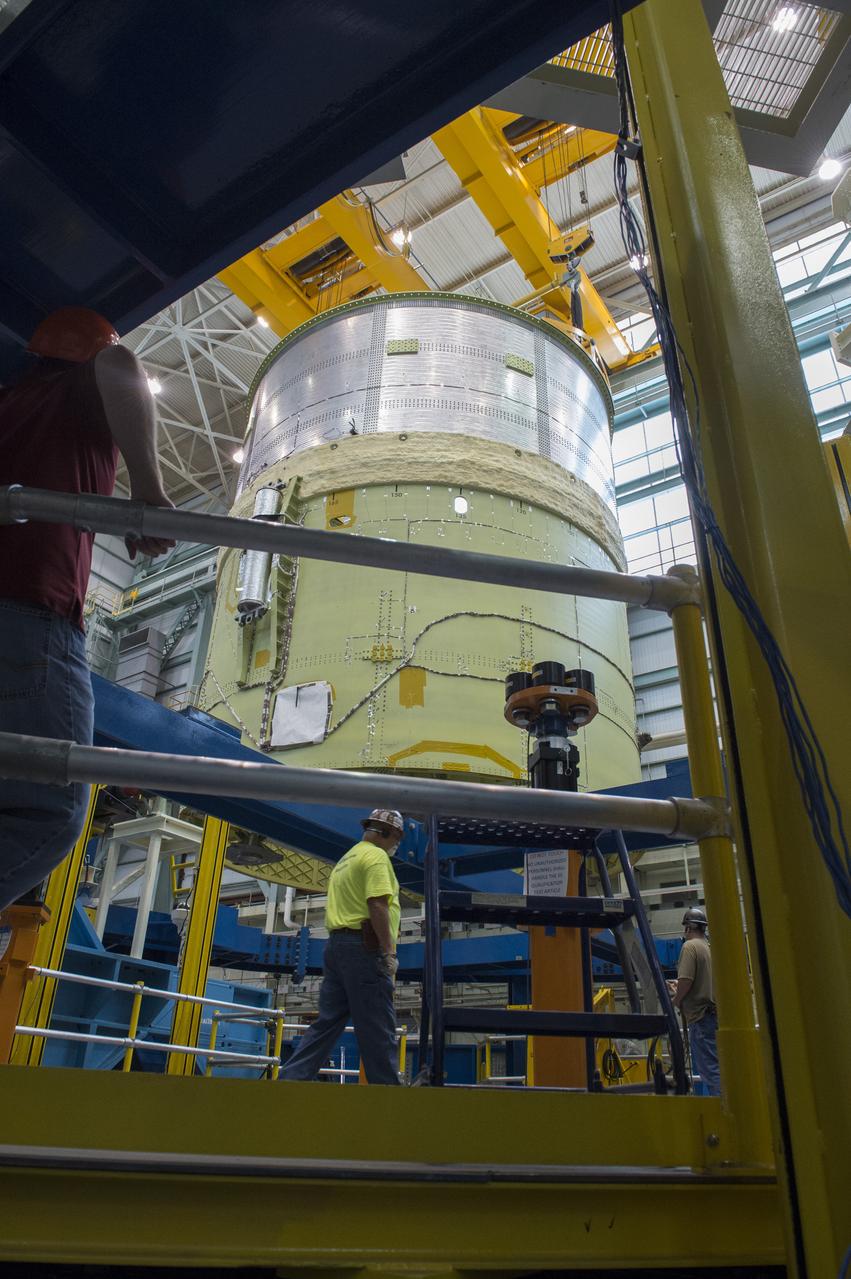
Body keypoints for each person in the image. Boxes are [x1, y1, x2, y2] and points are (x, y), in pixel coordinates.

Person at [0, 306, 174, 911]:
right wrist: (148, 493)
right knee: (50, 813)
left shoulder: (9, 404)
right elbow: (119, 363)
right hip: (32, 612)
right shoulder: (75, 389)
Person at [281, 809, 404, 1085]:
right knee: (377, 1026)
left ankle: (291, 1080)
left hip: (336, 946)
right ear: (387, 833)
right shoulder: (376, 857)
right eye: (396, 838)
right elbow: (377, 903)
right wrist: (388, 952)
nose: (397, 845)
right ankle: (388, 1094)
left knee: (327, 1023)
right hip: (364, 947)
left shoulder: (346, 860)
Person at [668, 905, 720, 1096]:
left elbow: (686, 981)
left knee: (711, 1072)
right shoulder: (708, 948)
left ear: (688, 928)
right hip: (714, 1016)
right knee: (717, 1067)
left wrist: (675, 999)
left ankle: (726, 1114)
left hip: (701, 1018)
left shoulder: (689, 947)